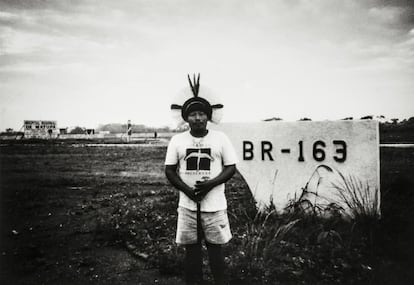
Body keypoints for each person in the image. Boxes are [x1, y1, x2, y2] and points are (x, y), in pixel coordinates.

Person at [165, 75, 238, 285]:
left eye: (202, 113)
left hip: (214, 206)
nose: (197, 118)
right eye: (193, 114)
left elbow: (231, 167)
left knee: (216, 251)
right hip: (187, 206)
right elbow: (170, 170)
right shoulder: (177, 140)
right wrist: (187, 190)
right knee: (192, 252)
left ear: (209, 116)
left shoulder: (220, 138)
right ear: (186, 118)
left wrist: (210, 184)